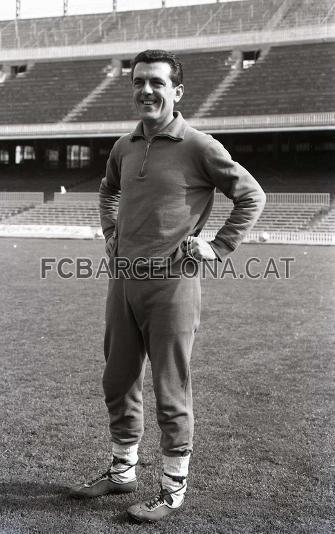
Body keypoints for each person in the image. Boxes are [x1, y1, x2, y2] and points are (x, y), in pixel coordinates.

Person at [69, 49, 266, 522]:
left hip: (173, 286)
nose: (146, 91)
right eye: (138, 82)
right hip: (124, 283)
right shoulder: (124, 145)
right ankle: (122, 472)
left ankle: (172, 488)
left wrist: (217, 248)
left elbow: (251, 195)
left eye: (156, 82)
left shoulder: (199, 145)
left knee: (170, 388)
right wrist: (111, 232)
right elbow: (107, 188)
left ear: (176, 91)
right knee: (117, 380)